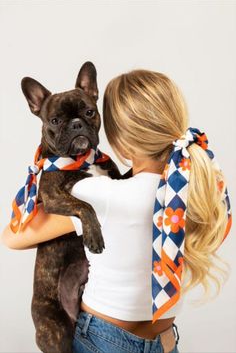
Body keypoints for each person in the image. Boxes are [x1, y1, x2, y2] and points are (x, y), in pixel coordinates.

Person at [1, 69, 231, 353]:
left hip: (102, 340)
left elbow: (12, 237)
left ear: (121, 143)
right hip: (167, 342)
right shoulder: (200, 185)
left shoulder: (100, 194)